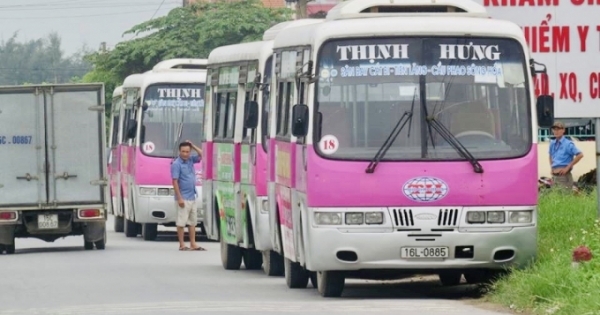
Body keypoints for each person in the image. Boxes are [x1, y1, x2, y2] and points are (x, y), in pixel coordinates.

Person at [171, 140, 206, 251]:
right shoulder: (176, 164)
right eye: (183, 151)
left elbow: (203, 154)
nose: (185, 154)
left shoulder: (190, 160)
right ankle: (182, 244)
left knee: (192, 222)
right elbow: (175, 181)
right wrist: (179, 198)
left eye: (187, 151)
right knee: (181, 222)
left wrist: (193, 146)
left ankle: (193, 243)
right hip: (183, 197)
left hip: (192, 196)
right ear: (179, 151)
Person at [548, 121, 583, 191]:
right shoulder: (552, 143)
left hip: (564, 176)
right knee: (556, 198)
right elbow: (550, 155)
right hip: (555, 175)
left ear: (563, 130)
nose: (556, 131)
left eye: (558, 129)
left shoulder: (568, 144)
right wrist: (551, 167)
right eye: (554, 129)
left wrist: (567, 167)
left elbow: (580, 155)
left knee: (564, 196)